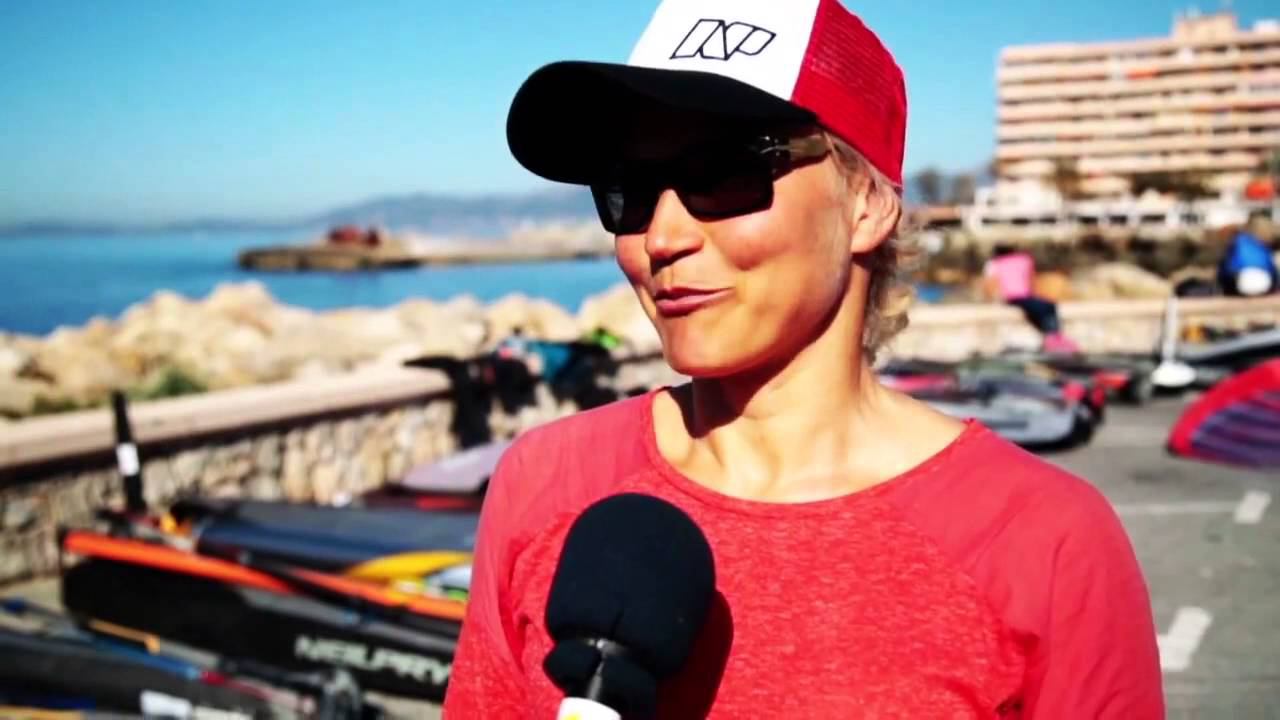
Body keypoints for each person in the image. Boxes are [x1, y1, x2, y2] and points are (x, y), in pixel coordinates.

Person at [444, 1, 1163, 717]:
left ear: (866, 204)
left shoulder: (1045, 540)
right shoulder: (545, 483)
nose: (660, 238)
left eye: (724, 173)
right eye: (628, 189)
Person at [982, 244, 1080, 353]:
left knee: (1045, 307)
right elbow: (1031, 280)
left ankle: (1053, 336)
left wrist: (992, 299)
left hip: (1014, 297)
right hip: (1022, 296)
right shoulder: (1024, 260)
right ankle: (1053, 336)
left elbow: (990, 283)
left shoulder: (994, 263)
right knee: (1047, 307)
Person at [1217, 220, 1278, 297]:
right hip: (1266, 282)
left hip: (1243, 282)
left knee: (1227, 272)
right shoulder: (1259, 243)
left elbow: (1227, 268)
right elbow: (1271, 266)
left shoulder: (1234, 243)